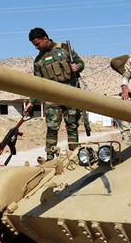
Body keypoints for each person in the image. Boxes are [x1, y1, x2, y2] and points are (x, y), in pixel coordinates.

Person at [24, 27, 85, 160]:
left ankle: (74, 155)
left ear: (45, 39)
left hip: (70, 94)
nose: (36, 48)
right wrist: (31, 102)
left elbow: (80, 63)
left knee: (72, 126)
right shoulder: (38, 61)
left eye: (38, 44)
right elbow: (37, 84)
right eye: (34, 45)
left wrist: (77, 67)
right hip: (52, 99)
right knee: (52, 128)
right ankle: (50, 157)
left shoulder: (64, 49)